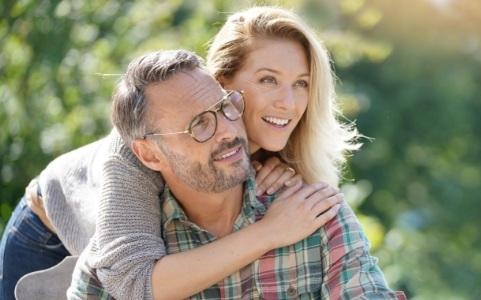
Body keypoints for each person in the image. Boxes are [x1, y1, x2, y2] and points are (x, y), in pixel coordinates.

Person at [0, 7, 348, 298]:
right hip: (50, 231)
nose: (288, 103)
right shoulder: (134, 153)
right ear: (221, 82)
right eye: (268, 80)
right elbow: (132, 283)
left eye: (301, 83)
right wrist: (271, 230)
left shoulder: (276, 151)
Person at [69, 48, 404, 300]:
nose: (228, 131)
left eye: (225, 107)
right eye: (198, 124)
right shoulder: (123, 251)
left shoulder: (313, 214)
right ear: (149, 154)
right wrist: (270, 232)